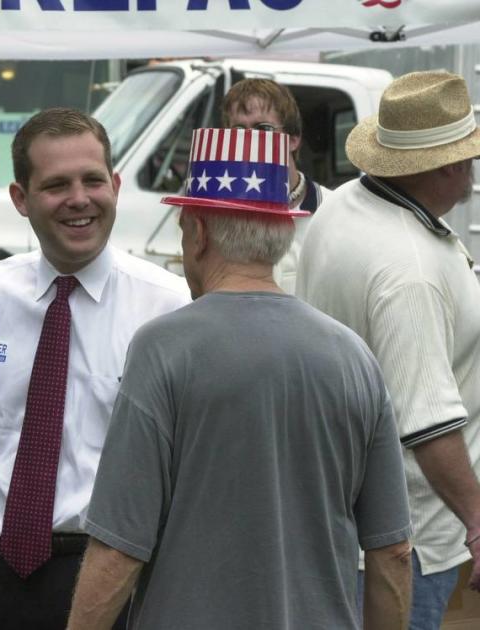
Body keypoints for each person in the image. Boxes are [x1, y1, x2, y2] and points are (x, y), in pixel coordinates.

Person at [67, 127, 413, 630]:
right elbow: (394, 551)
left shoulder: (162, 350)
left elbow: (119, 547)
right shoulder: (353, 357)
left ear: (198, 232)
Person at [0, 107, 190, 628]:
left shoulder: (167, 305)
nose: (79, 199)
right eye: (56, 185)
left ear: (115, 185)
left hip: (120, 578)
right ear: (21, 199)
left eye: (93, 180)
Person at [297, 70, 480, 629]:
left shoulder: (347, 203)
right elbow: (426, 423)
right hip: (408, 535)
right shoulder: (410, 272)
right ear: (448, 164)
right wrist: (477, 520)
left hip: (343, 516)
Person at [221, 78, 330, 292]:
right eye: (239, 130)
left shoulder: (331, 209)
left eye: (263, 128)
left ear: (293, 139)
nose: (250, 139)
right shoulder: (220, 213)